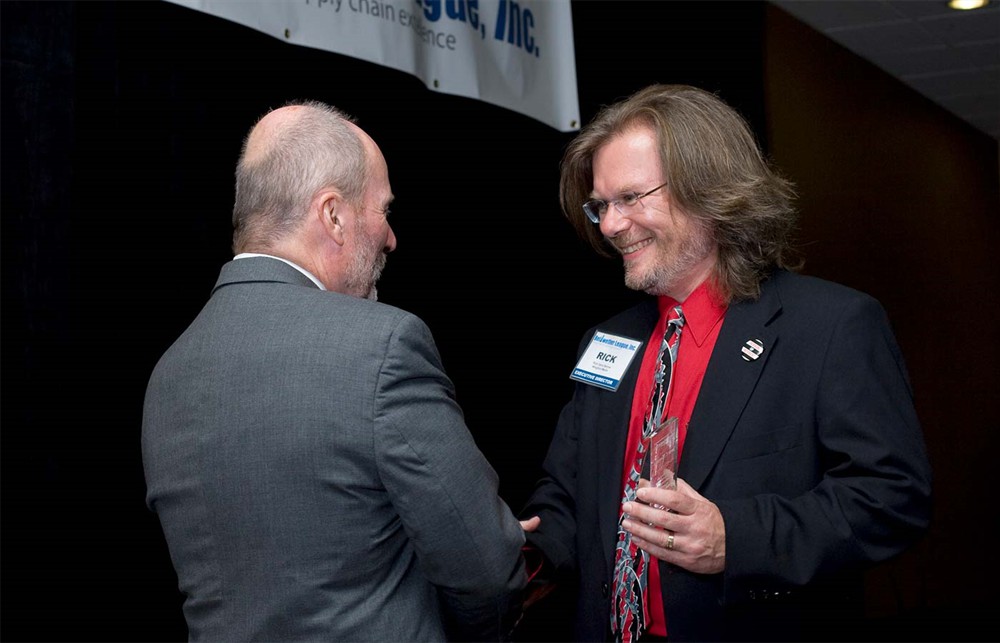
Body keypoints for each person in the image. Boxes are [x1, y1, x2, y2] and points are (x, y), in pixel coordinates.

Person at [518, 84, 932, 642]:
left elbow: (891, 498)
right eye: (602, 206)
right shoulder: (607, 341)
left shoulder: (830, 326)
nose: (611, 225)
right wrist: (525, 556)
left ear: (709, 192)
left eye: (632, 198)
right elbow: (569, 493)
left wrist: (735, 537)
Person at [142, 101, 528, 642]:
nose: (390, 237)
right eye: (383, 210)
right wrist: (489, 539)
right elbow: (489, 575)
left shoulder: (168, 374)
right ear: (333, 215)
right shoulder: (382, 345)